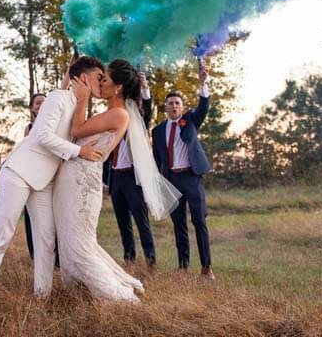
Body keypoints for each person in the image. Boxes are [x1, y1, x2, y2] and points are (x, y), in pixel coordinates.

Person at [0, 56, 106, 315]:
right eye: (99, 77)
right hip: (19, 171)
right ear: (85, 78)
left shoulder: (80, 107)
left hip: (45, 181)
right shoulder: (57, 97)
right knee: (3, 232)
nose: (102, 82)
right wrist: (78, 151)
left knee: (46, 240)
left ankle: (41, 297)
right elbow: (44, 136)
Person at [53, 59, 180, 301]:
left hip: (82, 183)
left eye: (105, 79)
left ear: (118, 87)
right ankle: (78, 292)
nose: (100, 83)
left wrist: (82, 98)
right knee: (73, 241)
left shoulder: (119, 115)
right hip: (72, 178)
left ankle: (122, 298)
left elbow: (76, 131)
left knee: (80, 246)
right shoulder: (111, 112)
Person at [150, 59, 215, 279]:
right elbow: (157, 159)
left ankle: (206, 268)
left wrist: (203, 84)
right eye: (170, 103)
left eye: (177, 103)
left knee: (199, 221)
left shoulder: (191, 121)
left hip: (191, 177)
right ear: (166, 108)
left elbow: (204, 107)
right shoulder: (158, 131)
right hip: (171, 180)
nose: (174, 106)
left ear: (183, 107)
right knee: (179, 225)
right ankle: (183, 266)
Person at [102, 71, 156, 266]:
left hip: (133, 178)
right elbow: (107, 150)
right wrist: (105, 180)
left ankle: (150, 260)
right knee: (123, 222)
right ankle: (129, 259)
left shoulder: (136, 118)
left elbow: (148, 113)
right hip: (116, 177)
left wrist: (145, 88)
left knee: (142, 222)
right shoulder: (112, 118)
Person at [22, 92, 45, 259]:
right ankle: (34, 255)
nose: (41, 105)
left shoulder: (57, 126)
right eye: (38, 103)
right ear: (32, 108)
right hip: (31, 175)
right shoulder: (28, 129)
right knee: (31, 216)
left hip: (50, 176)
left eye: (45, 102)